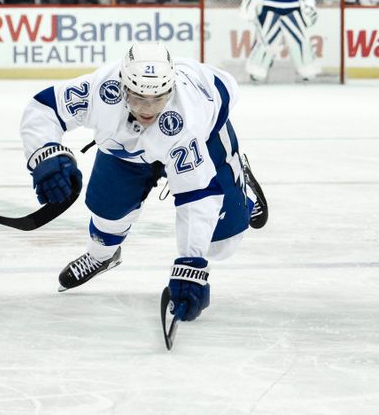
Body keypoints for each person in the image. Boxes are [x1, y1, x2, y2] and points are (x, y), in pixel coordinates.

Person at [19, 41, 268, 324]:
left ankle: (243, 190)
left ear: (171, 90)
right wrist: (46, 155)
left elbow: (198, 195)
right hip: (128, 146)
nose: (148, 110)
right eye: (138, 98)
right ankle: (101, 256)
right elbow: (44, 108)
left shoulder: (186, 119)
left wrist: (192, 266)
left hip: (207, 135)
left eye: (158, 98)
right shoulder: (102, 90)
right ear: (122, 87)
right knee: (107, 211)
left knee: (221, 244)